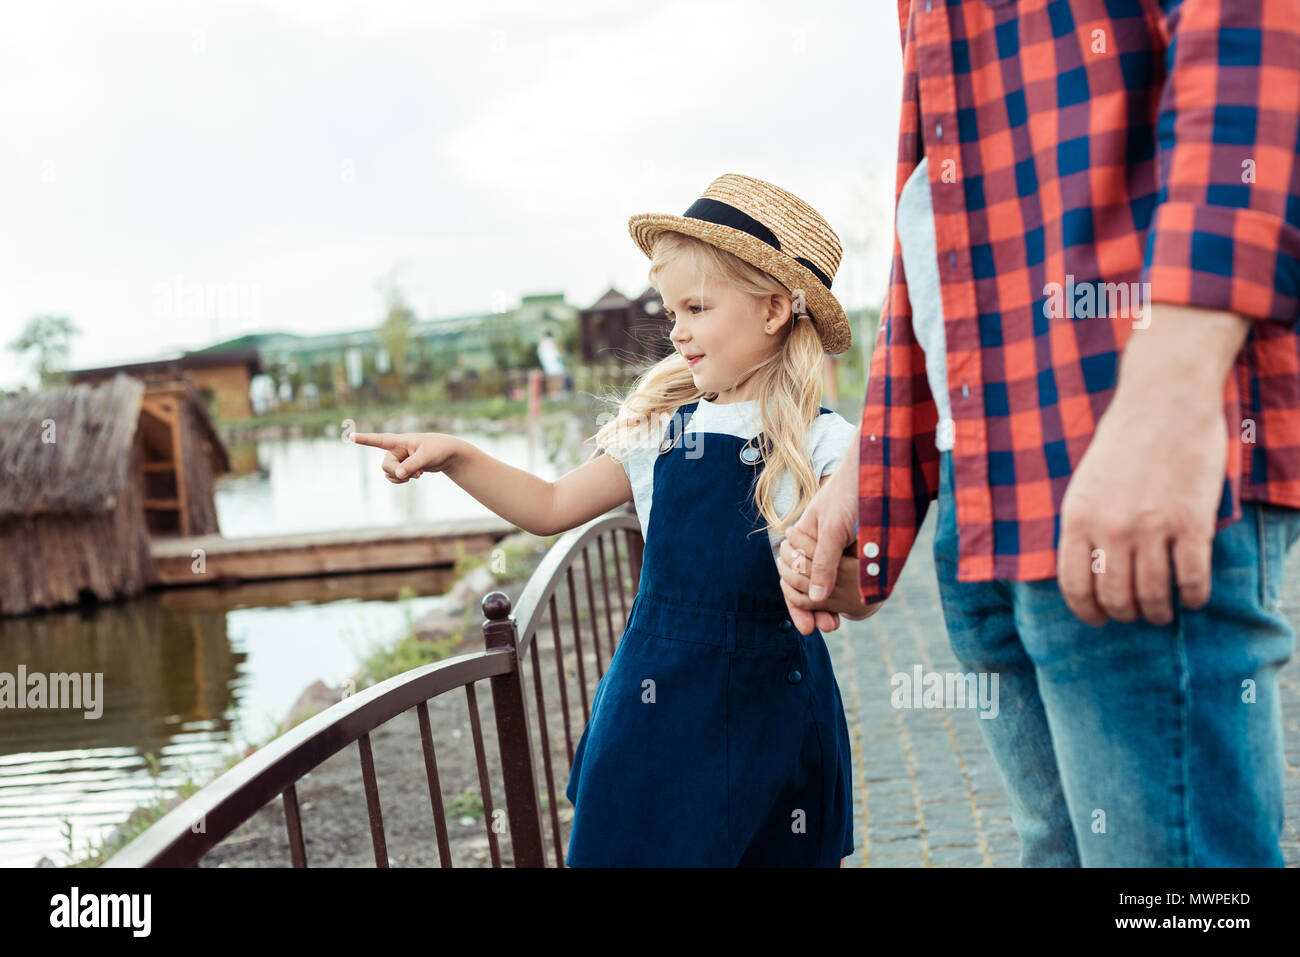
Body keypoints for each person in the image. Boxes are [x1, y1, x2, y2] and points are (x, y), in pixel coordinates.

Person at [777, 1, 1300, 867]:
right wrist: (872, 478)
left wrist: (1167, 398)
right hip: (988, 475)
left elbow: (1255, 44)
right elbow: (939, 221)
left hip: (1122, 449)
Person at [351, 173, 868, 866]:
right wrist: (458, 456)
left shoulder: (829, 445)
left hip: (771, 726)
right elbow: (550, 506)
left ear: (774, 309)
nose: (676, 329)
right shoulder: (659, 431)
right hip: (655, 717)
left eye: (696, 307)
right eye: (671, 309)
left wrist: (830, 581)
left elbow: (860, 589)